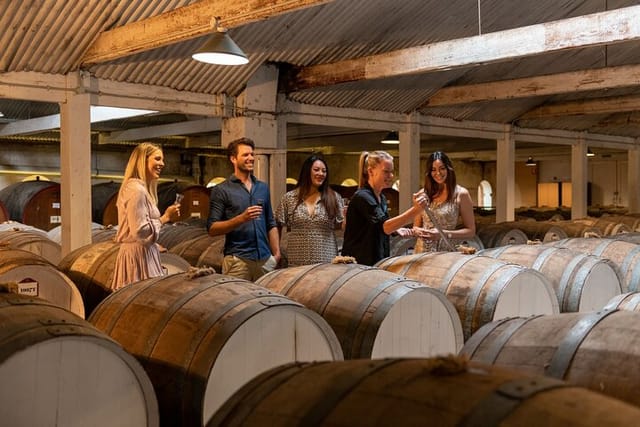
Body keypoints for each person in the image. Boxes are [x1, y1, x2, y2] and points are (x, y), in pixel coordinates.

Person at [207, 137, 280, 281]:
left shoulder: (262, 188)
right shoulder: (222, 190)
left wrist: (276, 255)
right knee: (237, 303)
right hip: (238, 261)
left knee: (267, 303)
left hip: (265, 261)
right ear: (233, 159)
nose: (251, 158)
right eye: (245, 155)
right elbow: (212, 228)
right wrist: (241, 218)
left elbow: (270, 223)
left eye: (252, 154)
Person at [111, 142, 181, 290]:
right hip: (138, 257)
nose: (162, 164)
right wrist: (165, 217)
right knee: (140, 303)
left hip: (142, 253)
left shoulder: (138, 188)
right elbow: (139, 231)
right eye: (157, 159)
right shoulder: (137, 190)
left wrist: (152, 244)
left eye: (162, 159)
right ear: (143, 160)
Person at [341, 150, 427, 266]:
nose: (391, 176)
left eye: (392, 172)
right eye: (386, 172)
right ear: (371, 171)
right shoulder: (363, 197)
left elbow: (379, 226)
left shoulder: (381, 197)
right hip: (358, 265)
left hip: (375, 262)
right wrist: (415, 211)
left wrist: (396, 230)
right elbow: (385, 227)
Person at [275, 154, 344, 266]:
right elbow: (276, 224)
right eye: (316, 170)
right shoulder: (289, 198)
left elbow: (341, 225)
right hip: (296, 260)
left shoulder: (334, 198)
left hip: (326, 260)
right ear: (307, 172)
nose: (321, 174)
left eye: (324, 171)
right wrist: (276, 253)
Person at [413, 151, 476, 252]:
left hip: (446, 253)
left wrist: (443, 234)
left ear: (449, 169)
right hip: (421, 252)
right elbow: (416, 226)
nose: (438, 173)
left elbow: (471, 231)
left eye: (442, 168)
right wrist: (417, 231)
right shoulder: (423, 194)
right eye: (433, 170)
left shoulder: (461, 194)